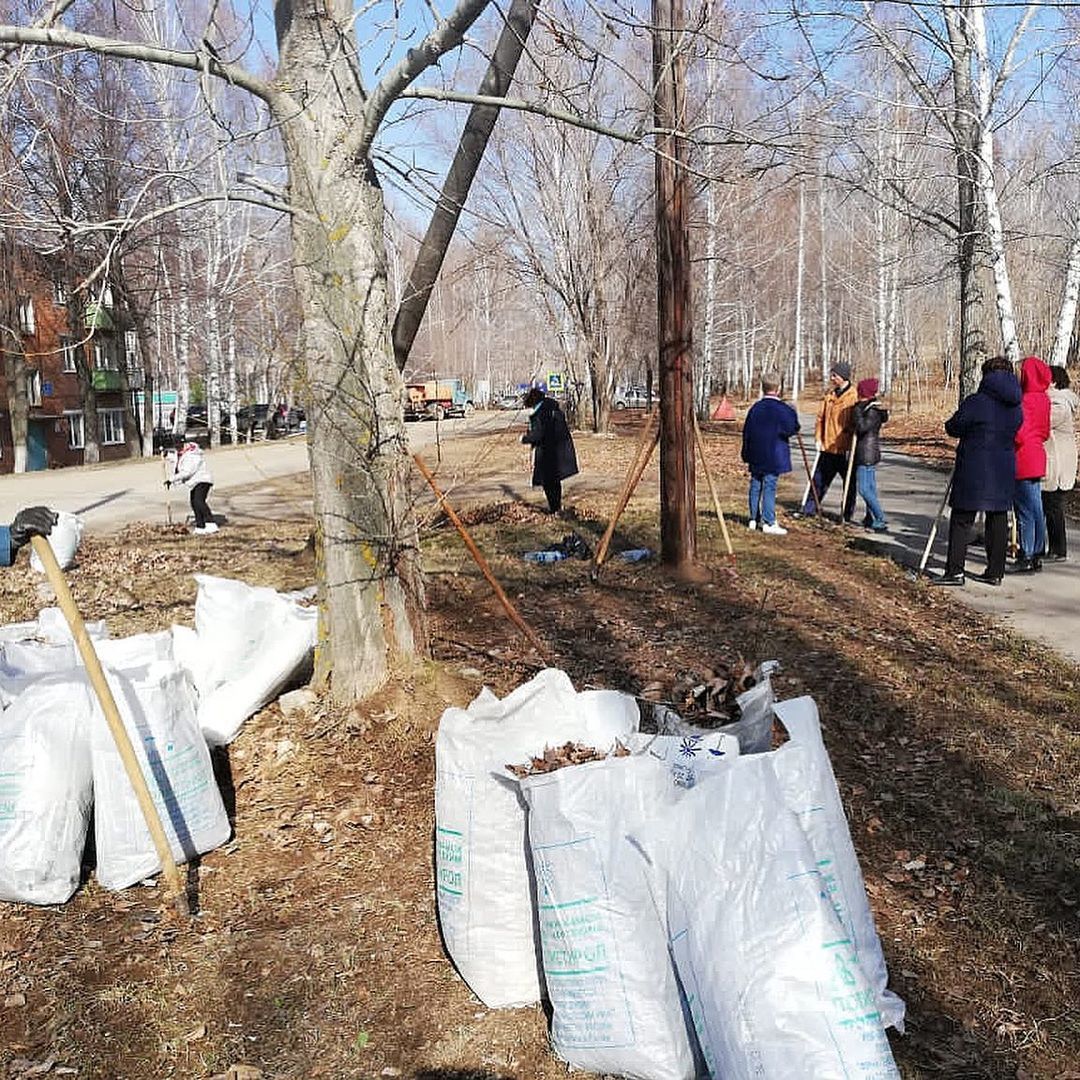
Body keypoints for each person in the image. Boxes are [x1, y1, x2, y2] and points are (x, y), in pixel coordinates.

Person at [934, 356, 1022, 586]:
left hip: (974, 465)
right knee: (998, 517)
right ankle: (995, 572)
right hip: (1003, 466)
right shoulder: (1015, 405)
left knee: (962, 518)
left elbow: (953, 426)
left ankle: (955, 571)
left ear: (986, 376)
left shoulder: (977, 402)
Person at [740, 371, 799, 535]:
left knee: (756, 484)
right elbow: (792, 428)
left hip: (756, 453)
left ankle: (753, 518)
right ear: (778, 389)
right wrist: (793, 413)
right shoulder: (782, 409)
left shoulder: (755, 408)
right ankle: (769, 521)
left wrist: (745, 452)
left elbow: (746, 432)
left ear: (763, 388)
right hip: (774, 454)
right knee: (769, 486)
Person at [1010, 355, 1052, 574]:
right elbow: (1043, 431)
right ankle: (1037, 551)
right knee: (1036, 507)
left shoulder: (1025, 400)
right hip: (1037, 454)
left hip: (1023, 457)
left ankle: (1027, 553)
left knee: (1024, 509)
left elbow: (1020, 433)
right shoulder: (1044, 398)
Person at [801, 361, 858, 518]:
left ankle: (847, 514)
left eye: (835, 375)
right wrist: (818, 438)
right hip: (827, 447)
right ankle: (809, 509)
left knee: (849, 484)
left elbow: (856, 422)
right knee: (819, 480)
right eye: (832, 374)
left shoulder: (853, 397)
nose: (832, 378)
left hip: (845, 449)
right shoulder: (829, 396)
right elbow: (821, 418)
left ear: (844, 377)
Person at [1042, 365, 1079, 562]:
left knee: (1053, 506)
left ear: (1054, 382)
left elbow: (1042, 422)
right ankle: (1052, 548)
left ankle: (1058, 550)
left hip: (1058, 464)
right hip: (1055, 461)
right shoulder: (1058, 401)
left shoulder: (1059, 404)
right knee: (1049, 505)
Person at [521, 387, 578, 514]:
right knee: (554, 481)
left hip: (548, 452)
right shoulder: (552, 407)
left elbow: (539, 433)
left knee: (548, 481)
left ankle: (554, 508)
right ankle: (556, 507)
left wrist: (525, 438)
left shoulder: (543, 412)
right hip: (557, 450)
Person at [853, 377, 889, 532]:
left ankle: (880, 518)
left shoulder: (871, 411)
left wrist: (856, 412)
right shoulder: (870, 409)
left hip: (866, 454)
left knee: (863, 489)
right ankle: (871, 517)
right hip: (869, 452)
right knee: (871, 487)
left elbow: (862, 427)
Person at [165, 437, 218, 535]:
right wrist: (168, 455)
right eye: (176, 446)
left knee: (199, 501)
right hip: (195, 482)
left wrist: (171, 479)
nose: (178, 448)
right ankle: (200, 526)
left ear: (185, 444)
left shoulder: (193, 454)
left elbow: (187, 472)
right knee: (194, 503)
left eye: (180, 446)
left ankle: (211, 523)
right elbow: (178, 459)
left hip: (202, 480)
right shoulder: (182, 453)